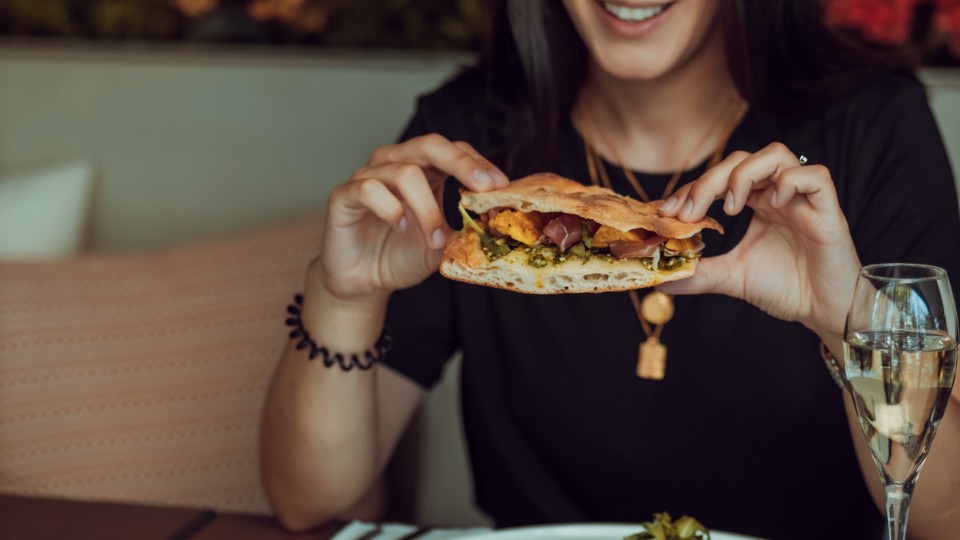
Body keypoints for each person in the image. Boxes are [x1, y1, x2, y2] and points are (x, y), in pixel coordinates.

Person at [259, 1, 960, 538]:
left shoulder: (872, 132)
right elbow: (309, 501)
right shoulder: (466, 149)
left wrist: (847, 325)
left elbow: (946, 518)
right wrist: (342, 294)